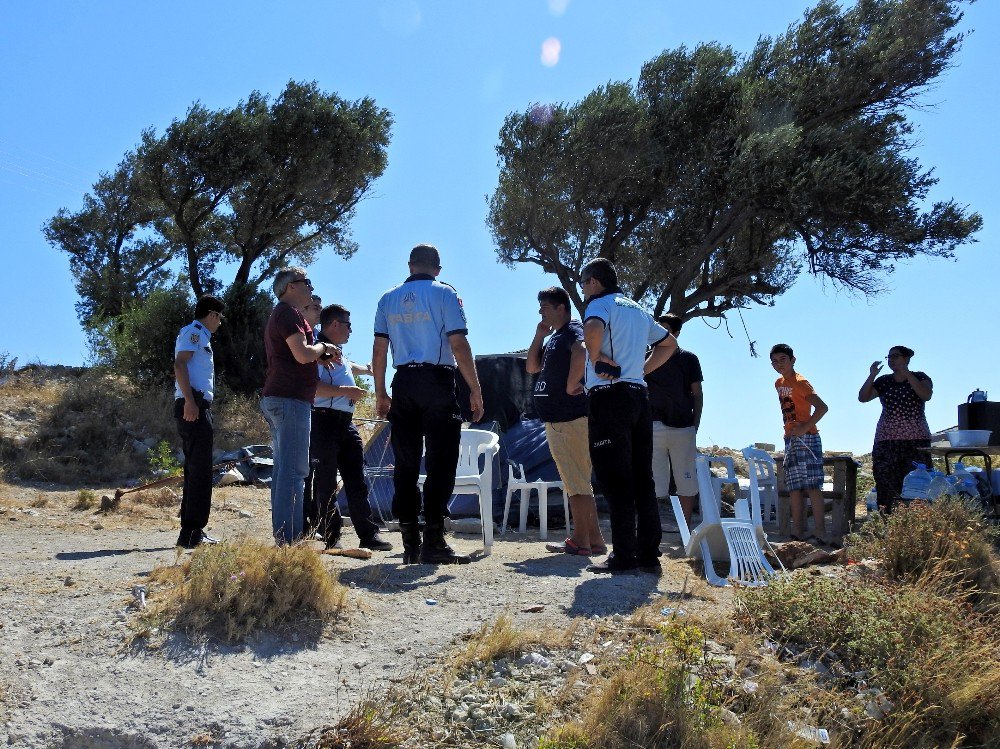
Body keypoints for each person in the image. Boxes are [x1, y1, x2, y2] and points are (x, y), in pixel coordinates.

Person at [372, 244, 485, 565]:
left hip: (403, 382)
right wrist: (475, 390)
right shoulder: (445, 294)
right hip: (436, 382)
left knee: (405, 465)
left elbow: (379, 350)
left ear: (410, 266)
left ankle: (410, 542)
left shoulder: (387, 298)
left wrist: (381, 392)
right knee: (442, 462)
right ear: (438, 268)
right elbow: (459, 343)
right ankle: (433, 540)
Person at [579, 259, 677, 574]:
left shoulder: (601, 304)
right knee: (641, 478)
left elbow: (592, 328)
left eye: (583, 285)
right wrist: (640, 370)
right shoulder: (636, 308)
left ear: (594, 282)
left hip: (609, 397)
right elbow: (669, 344)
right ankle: (648, 555)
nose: (583, 292)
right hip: (638, 396)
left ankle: (622, 556)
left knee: (615, 477)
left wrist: (595, 358)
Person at [525, 286, 607, 556]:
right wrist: (539, 335)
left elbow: (582, 350)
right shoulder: (555, 337)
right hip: (561, 419)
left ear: (561, 307)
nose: (540, 311)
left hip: (568, 418)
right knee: (580, 481)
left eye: (545, 307)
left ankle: (580, 541)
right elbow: (531, 367)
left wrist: (573, 382)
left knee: (575, 482)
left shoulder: (573, 330)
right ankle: (594, 540)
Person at [261, 268, 340, 544]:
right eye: (306, 282)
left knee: (284, 471)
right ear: (290, 287)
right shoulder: (288, 313)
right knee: (295, 472)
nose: (310, 287)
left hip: (281, 398)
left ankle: (285, 537)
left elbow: (296, 354)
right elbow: (303, 353)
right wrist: (322, 348)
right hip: (290, 399)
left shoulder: (282, 314)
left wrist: (317, 353)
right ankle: (290, 541)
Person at [308, 303, 392, 551]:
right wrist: (347, 391)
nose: (351, 330)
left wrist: (368, 369)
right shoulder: (316, 350)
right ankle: (329, 536)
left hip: (346, 423)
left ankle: (369, 535)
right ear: (334, 324)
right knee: (325, 482)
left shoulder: (339, 352)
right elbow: (312, 387)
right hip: (323, 421)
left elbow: (349, 366)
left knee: (357, 480)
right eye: (348, 325)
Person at [173, 294, 226, 549]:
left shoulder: (201, 336)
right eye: (219, 317)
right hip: (192, 402)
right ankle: (193, 532)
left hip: (196, 402)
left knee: (196, 469)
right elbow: (180, 364)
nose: (220, 323)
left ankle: (190, 531)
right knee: (200, 470)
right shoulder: (193, 333)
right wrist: (189, 401)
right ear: (212, 314)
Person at [645, 313, 703, 528]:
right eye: (657, 328)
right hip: (653, 427)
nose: (660, 333)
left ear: (676, 333)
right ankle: (652, 529)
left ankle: (685, 529)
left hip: (682, 427)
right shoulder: (646, 358)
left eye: (665, 329)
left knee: (686, 482)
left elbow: (697, 393)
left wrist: (694, 425)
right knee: (653, 483)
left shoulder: (688, 359)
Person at [858, 345, 932, 513]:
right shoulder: (884, 381)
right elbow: (863, 397)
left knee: (916, 485)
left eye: (895, 356)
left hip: (916, 440)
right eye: (889, 357)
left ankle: (916, 523)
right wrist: (872, 375)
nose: (891, 360)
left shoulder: (920, 377)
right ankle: (888, 523)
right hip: (886, 440)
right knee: (886, 482)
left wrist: (907, 374)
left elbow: (925, 395)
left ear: (906, 359)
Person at [770, 343, 829, 542]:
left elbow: (822, 407)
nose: (779, 364)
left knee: (812, 486)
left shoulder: (801, 382)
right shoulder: (779, 383)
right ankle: (798, 531)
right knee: (794, 486)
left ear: (793, 360)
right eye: (775, 361)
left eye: (783, 360)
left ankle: (820, 530)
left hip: (808, 438)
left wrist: (805, 427)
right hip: (790, 439)